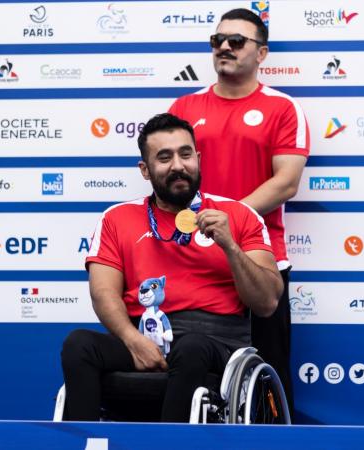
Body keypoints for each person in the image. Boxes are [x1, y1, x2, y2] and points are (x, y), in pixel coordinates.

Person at [60, 113, 283, 422]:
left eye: (185, 154)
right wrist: (133, 340)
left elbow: (267, 303)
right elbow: (102, 292)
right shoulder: (117, 218)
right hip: (144, 334)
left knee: (190, 347)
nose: (178, 165)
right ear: (145, 170)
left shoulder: (238, 215)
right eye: (164, 158)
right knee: (79, 345)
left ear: (199, 159)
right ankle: (86, 442)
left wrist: (230, 246)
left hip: (215, 342)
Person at [168, 8, 309, 414]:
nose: (224, 48)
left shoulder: (283, 109)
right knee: (188, 369)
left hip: (258, 256)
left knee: (269, 377)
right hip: (191, 258)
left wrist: (229, 222)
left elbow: (286, 182)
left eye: (237, 41)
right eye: (218, 41)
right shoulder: (183, 106)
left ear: (261, 53)